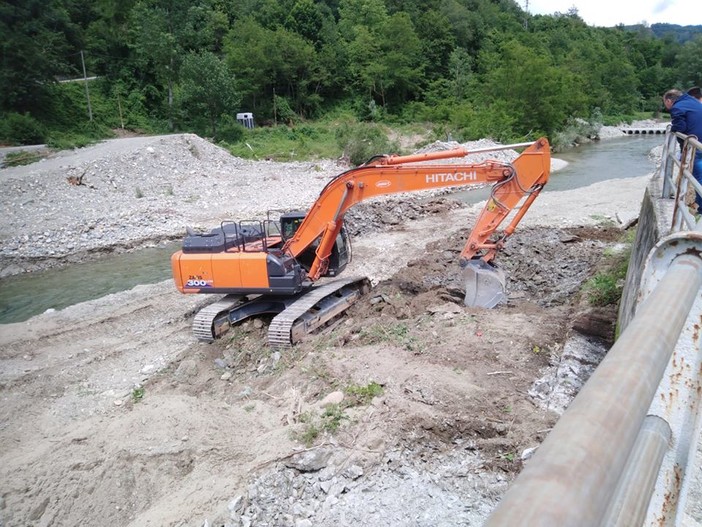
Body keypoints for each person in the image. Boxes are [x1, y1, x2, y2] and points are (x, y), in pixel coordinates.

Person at [663, 89, 702, 211]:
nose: (666, 106)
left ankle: (701, 209)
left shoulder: (677, 107)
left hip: (695, 146)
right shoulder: (694, 102)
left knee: (698, 177)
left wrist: (673, 130)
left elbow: (680, 127)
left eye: (665, 103)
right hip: (699, 142)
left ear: (669, 100)